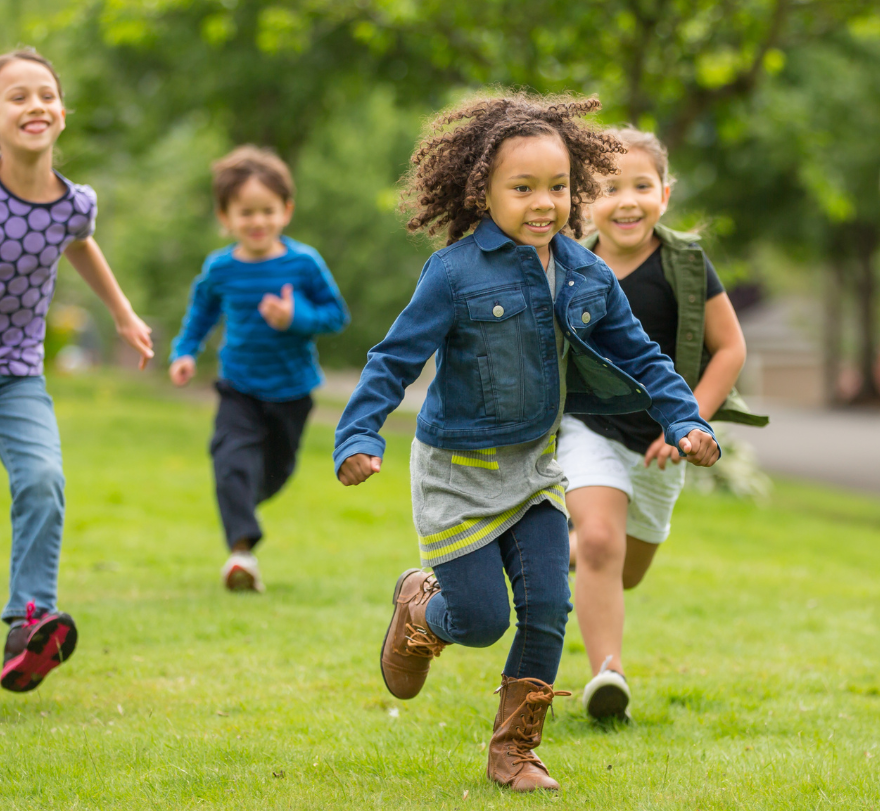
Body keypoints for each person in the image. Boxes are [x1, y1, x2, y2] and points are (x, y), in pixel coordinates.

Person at [333, 94, 720, 793]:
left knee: (547, 604)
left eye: (559, 186)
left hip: (536, 469)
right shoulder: (453, 274)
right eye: (523, 188)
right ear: (483, 192)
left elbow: (642, 354)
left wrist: (685, 418)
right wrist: (358, 433)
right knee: (478, 621)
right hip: (457, 473)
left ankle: (515, 751)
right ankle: (420, 609)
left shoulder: (583, 272)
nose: (545, 203)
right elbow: (393, 359)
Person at [559, 127, 762, 721]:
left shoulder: (687, 265)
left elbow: (730, 349)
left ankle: (568, 548)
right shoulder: (568, 264)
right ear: (583, 200)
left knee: (627, 570)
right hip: (585, 428)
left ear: (665, 194)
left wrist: (687, 423)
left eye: (641, 186)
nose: (626, 200)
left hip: (659, 444)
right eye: (608, 187)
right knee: (601, 541)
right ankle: (608, 675)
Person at [0, 49, 154, 694]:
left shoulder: (73, 204)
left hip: (17, 373)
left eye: (45, 95)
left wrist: (121, 312)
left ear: (61, 113)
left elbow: (79, 241)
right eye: (16, 96)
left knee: (42, 478)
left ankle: (27, 618)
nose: (34, 105)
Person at [169, 146, 349, 593]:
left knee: (272, 474)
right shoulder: (221, 268)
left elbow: (335, 315)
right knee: (230, 459)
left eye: (267, 211)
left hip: (292, 391)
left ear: (286, 211)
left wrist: (295, 319)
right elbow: (200, 315)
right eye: (245, 212)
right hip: (240, 386)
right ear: (225, 216)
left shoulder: (303, 263)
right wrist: (185, 351)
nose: (257, 221)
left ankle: (243, 507)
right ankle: (241, 555)